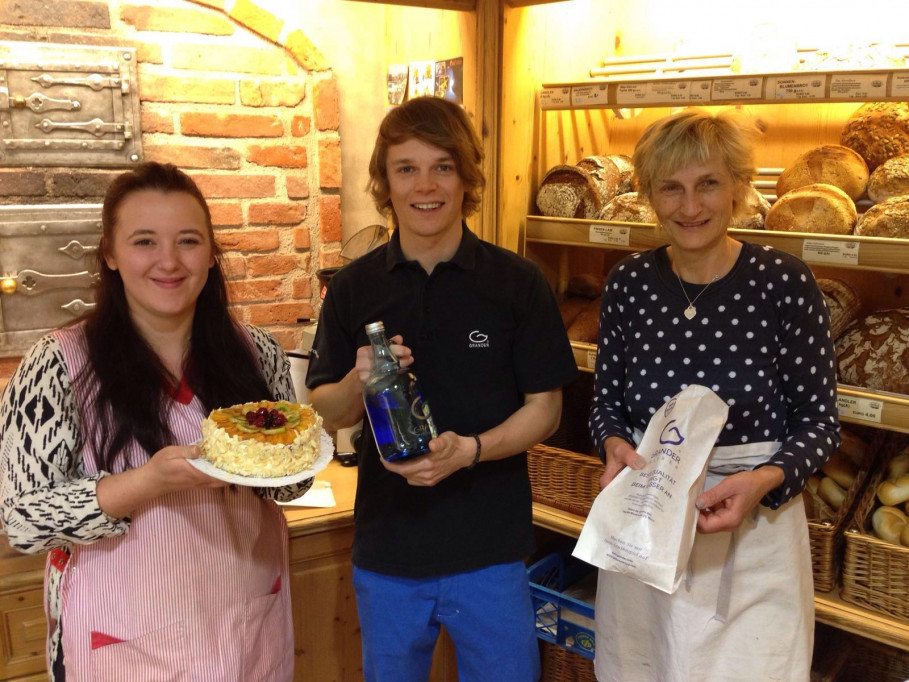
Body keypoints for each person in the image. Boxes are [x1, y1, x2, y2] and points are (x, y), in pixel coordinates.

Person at [0, 162, 311, 681]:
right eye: (144, 241)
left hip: (244, 622)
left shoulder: (256, 353)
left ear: (211, 255)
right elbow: (23, 523)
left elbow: (293, 481)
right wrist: (147, 483)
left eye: (188, 241)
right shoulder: (58, 363)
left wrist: (285, 458)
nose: (169, 262)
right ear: (110, 254)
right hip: (120, 637)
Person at [305, 96, 578, 681]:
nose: (424, 185)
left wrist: (470, 451)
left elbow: (546, 410)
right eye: (406, 168)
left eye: (442, 167)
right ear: (385, 182)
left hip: (492, 552)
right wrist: (360, 379)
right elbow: (325, 409)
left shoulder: (518, 283)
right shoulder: (353, 287)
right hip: (388, 552)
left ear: (466, 178)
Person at [588, 109, 841, 681]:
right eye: (670, 189)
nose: (691, 206)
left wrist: (764, 481)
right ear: (650, 197)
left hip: (756, 529)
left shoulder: (784, 282)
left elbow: (820, 424)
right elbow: (605, 402)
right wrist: (613, 445)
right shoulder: (629, 283)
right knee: (641, 667)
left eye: (708, 184)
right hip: (647, 519)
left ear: (738, 188)